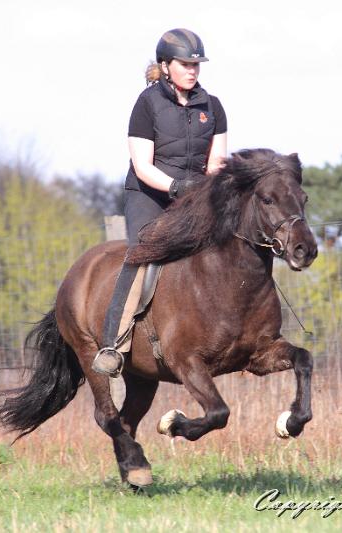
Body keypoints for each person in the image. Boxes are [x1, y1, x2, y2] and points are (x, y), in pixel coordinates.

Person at [93, 28, 228, 376]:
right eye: (186, 63)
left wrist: (208, 191)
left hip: (195, 198)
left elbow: (216, 163)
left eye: (197, 64)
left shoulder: (212, 107)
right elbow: (143, 165)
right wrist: (177, 187)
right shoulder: (147, 103)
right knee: (142, 254)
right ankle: (115, 342)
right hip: (150, 195)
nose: (193, 70)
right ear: (166, 65)